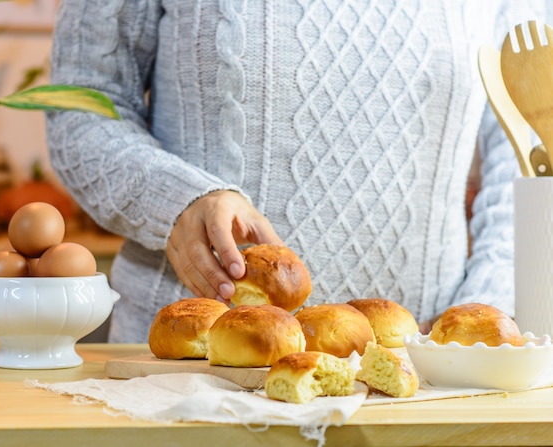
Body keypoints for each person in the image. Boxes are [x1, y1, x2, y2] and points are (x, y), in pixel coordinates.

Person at [46, 0, 547, 343]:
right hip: (194, 366)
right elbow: (82, 110)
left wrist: (481, 312)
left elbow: (529, 149)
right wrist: (176, 200)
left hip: (422, 376)